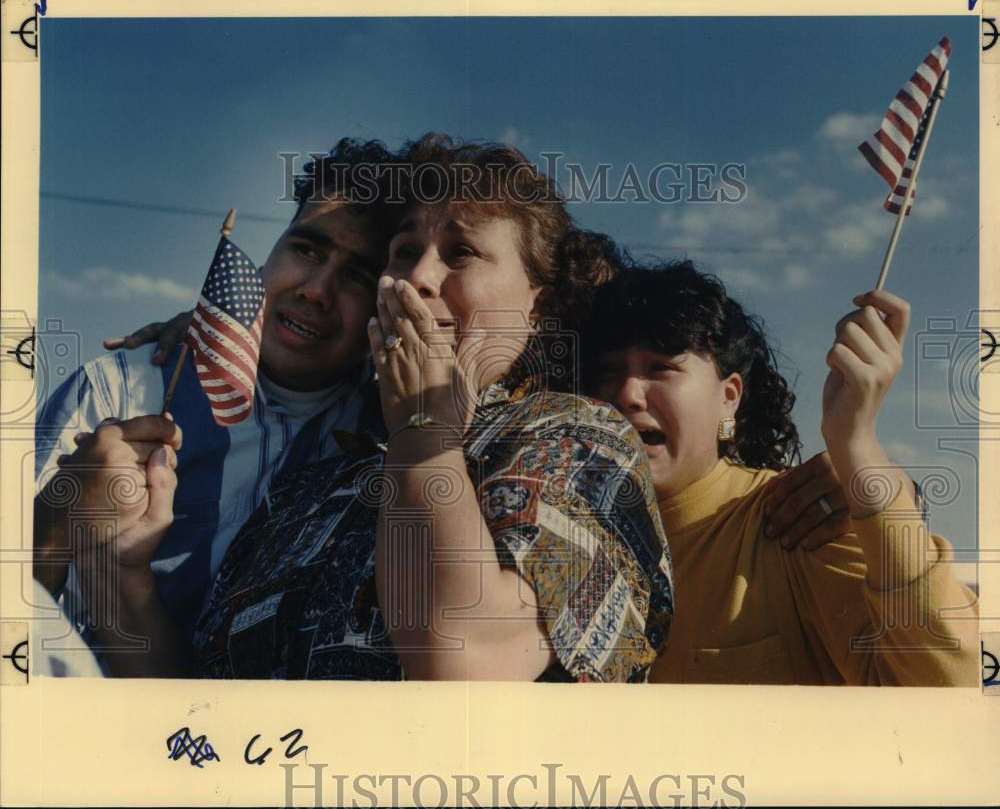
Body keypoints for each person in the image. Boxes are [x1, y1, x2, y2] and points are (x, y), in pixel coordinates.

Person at [69, 134, 676, 681]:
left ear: (540, 308)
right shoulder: (325, 472)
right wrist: (116, 569)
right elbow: (198, 711)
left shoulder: (578, 442)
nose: (418, 279)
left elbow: (460, 653)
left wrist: (424, 428)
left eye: (460, 252)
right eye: (404, 251)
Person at [33, 139, 401, 648]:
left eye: (357, 275)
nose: (316, 289)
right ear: (274, 248)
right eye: (306, 249)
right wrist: (57, 517)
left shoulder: (387, 438)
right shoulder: (120, 388)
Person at [583, 261, 979, 685]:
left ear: (729, 397)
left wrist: (857, 446)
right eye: (609, 373)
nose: (626, 394)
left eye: (661, 368)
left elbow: (942, 685)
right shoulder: (569, 531)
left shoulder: (801, 517)